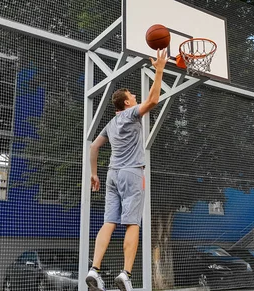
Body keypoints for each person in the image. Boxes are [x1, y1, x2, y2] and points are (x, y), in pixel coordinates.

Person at [86, 49, 168, 291]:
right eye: (132, 95)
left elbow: (93, 147)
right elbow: (153, 100)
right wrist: (160, 69)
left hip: (112, 175)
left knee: (109, 222)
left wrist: (94, 173)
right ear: (127, 103)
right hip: (132, 173)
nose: (135, 96)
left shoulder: (111, 124)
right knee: (132, 224)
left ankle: (94, 269)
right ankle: (125, 274)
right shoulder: (131, 114)